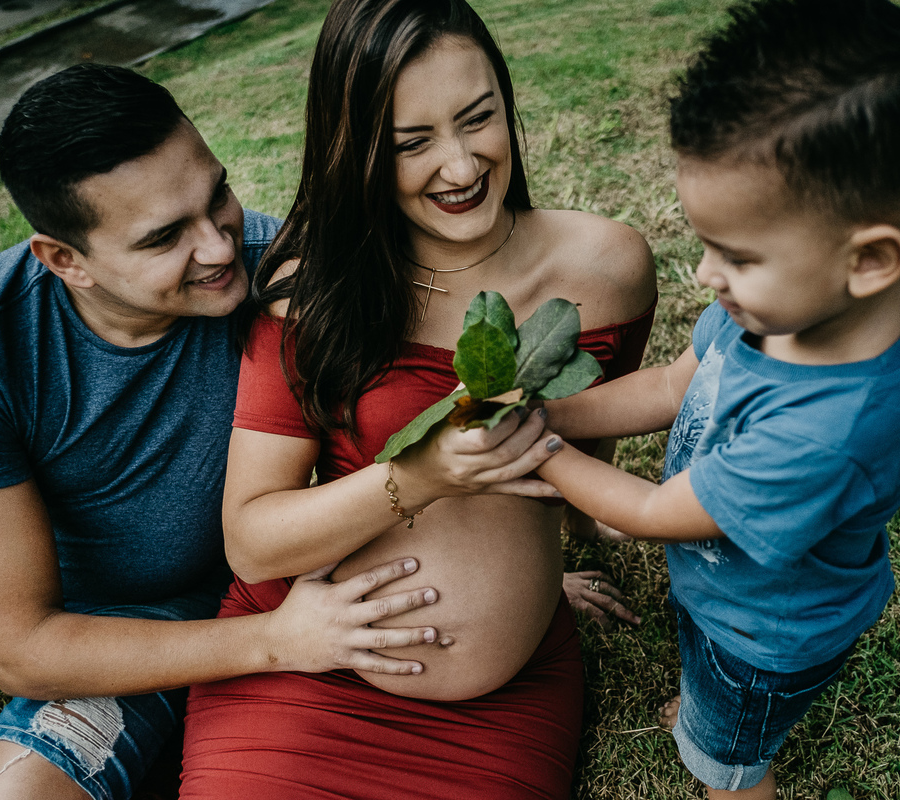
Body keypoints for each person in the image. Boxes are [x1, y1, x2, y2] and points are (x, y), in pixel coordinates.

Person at [0, 63, 501, 800]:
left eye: (219, 198)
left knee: (13, 795)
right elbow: (21, 646)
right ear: (63, 259)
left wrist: (485, 559)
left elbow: (403, 439)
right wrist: (277, 643)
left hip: (165, 599)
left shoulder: (287, 281)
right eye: (165, 238)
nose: (218, 248)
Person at [178, 0, 659, 796]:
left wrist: (539, 574)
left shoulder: (605, 270)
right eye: (412, 144)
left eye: (479, 119)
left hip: (502, 705)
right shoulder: (316, 293)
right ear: (356, 153)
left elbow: (573, 450)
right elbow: (254, 542)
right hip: (309, 667)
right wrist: (423, 477)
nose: (463, 167)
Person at [534, 0, 900, 797]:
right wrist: (555, 411)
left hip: (762, 640)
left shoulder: (827, 429)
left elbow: (655, 512)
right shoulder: (787, 307)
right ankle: (708, 717)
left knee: (732, 769)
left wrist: (543, 451)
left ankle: (724, 743)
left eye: (735, 255)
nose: (706, 275)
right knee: (712, 711)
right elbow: (670, 385)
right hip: (725, 599)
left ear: (869, 260)